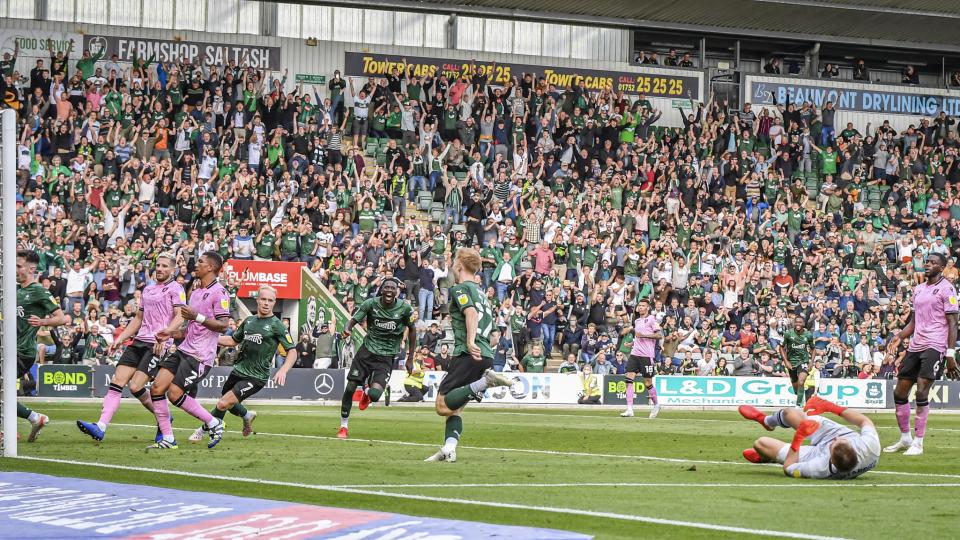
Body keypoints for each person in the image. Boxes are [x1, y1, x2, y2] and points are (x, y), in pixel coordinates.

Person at [76, 254, 185, 442]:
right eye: (157, 265)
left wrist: (165, 334)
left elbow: (180, 315)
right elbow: (138, 319)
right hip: (139, 341)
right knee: (118, 381)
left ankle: (164, 419)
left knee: (136, 386)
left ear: (173, 270)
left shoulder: (176, 288)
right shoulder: (148, 290)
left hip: (157, 344)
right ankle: (100, 427)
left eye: (164, 266)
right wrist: (120, 338)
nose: (159, 268)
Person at [425, 248, 514, 463]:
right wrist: (480, 344)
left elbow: (471, 313)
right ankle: (449, 449)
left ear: (459, 265)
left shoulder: (460, 288)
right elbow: (495, 335)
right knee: (455, 409)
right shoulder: (484, 295)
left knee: (442, 406)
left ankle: (485, 382)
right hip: (485, 355)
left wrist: (470, 341)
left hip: (468, 353)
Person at [187, 285, 297, 442]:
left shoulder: (276, 325)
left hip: (256, 376)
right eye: (263, 299)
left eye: (270, 300)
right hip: (238, 370)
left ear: (274, 302)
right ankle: (247, 415)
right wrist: (211, 339)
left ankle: (202, 430)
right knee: (228, 403)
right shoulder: (249, 321)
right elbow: (233, 340)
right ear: (257, 300)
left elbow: (292, 350)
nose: (266, 303)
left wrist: (284, 370)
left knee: (223, 403)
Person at [147, 251, 232, 450]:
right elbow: (192, 328)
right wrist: (171, 334)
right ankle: (168, 439)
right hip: (184, 349)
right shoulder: (195, 292)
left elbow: (223, 325)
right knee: (157, 388)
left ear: (210, 267)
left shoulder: (220, 292)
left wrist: (197, 316)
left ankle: (213, 422)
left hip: (200, 355)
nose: (196, 264)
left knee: (174, 394)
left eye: (200, 262)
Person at [884, 253, 958, 456]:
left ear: (942, 267)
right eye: (927, 261)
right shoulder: (918, 290)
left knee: (921, 392)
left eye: (933, 263)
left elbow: (953, 323)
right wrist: (899, 335)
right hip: (916, 345)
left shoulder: (947, 289)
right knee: (899, 393)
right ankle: (905, 438)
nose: (928, 265)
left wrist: (950, 355)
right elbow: (914, 322)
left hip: (935, 345)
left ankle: (918, 442)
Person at [337, 277, 416, 439]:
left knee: (374, 395)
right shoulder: (370, 304)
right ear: (381, 289)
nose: (389, 290)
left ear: (397, 292)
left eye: (392, 288)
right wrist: (347, 329)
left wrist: (410, 358)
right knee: (350, 387)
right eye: (386, 287)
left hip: (386, 357)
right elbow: (352, 321)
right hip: (367, 352)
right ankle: (343, 426)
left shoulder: (405, 309)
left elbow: (413, 331)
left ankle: (367, 391)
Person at [738, 397, 880, 480]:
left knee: (761, 444)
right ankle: (767, 421)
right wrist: (831, 407)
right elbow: (864, 421)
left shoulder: (819, 469)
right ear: (854, 448)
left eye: (834, 443)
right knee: (790, 413)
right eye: (841, 441)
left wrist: (799, 437)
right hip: (837, 435)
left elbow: (788, 468)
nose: (836, 438)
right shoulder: (869, 447)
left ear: (830, 458)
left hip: (816, 454)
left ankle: (767, 457)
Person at [10, 251, 68, 443]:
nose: (16, 269)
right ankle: (34, 419)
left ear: (32, 269)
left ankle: (12, 429)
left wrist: (42, 321)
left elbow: (61, 318)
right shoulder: (17, 290)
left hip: (22, 351)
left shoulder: (39, 291)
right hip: (11, 349)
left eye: (19, 266)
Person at [622, 298, 662, 419]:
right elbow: (638, 337)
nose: (640, 307)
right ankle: (629, 409)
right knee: (628, 379)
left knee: (647, 382)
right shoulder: (637, 321)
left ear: (648, 308)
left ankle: (656, 405)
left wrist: (644, 335)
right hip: (635, 354)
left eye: (643, 305)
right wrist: (632, 344)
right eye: (639, 305)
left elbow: (659, 335)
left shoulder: (652, 319)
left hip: (647, 356)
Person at [779, 315, 814, 407]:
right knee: (796, 388)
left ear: (803, 324)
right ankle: (804, 394)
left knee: (801, 382)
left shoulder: (808, 335)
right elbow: (781, 347)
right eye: (796, 322)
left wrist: (811, 362)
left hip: (803, 361)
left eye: (800, 322)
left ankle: (798, 406)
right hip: (792, 363)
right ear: (794, 323)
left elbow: (813, 349)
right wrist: (786, 361)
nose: (798, 324)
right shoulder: (788, 334)